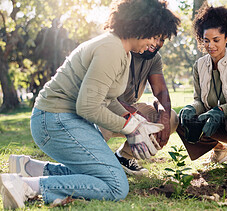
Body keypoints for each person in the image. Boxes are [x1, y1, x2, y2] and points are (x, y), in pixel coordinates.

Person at [0, 0, 180, 209]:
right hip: (53, 121)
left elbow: (108, 99)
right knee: (116, 185)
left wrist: (136, 121)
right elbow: (88, 107)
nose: (154, 44)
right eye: (154, 36)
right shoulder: (110, 48)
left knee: (100, 172)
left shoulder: (123, 51)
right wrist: (132, 128)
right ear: (141, 26)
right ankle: (24, 186)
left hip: (62, 120)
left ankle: (29, 168)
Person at [178, 4, 227, 164]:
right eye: (206, 40)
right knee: (182, 120)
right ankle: (219, 150)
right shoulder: (199, 65)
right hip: (211, 123)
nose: (210, 46)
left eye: (216, 40)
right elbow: (199, 100)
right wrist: (191, 108)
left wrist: (222, 110)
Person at [100, 36, 179, 175]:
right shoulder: (118, 50)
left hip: (129, 111)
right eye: (155, 38)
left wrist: (164, 116)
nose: (157, 44)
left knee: (171, 117)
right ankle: (90, 165)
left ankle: (124, 158)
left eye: (162, 40)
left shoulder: (154, 58)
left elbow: (160, 91)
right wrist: (135, 115)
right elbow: (104, 97)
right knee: (101, 124)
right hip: (103, 108)